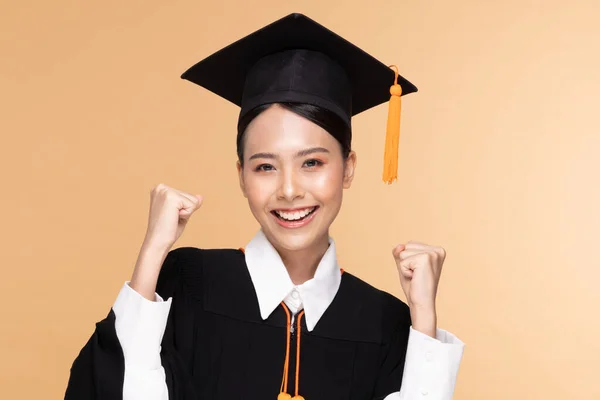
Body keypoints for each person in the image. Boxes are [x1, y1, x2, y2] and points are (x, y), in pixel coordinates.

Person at [65, 13, 465, 400]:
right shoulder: (186, 285)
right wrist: (151, 255)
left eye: (312, 162)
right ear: (242, 175)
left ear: (348, 168)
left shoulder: (385, 322)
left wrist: (423, 321)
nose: (289, 190)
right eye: (265, 166)